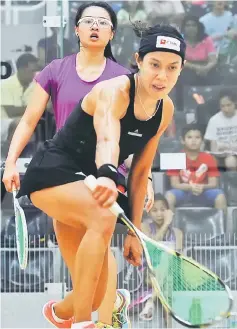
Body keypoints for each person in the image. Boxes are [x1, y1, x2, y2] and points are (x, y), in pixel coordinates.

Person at [3, 21, 186, 328]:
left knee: (100, 289)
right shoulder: (115, 91)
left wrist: (135, 233)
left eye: (172, 67)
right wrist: (107, 174)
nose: (162, 76)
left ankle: (61, 314)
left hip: (91, 188)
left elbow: (141, 172)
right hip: (54, 172)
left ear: (181, 69)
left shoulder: (164, 109)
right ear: (138, 61)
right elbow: (107, 138)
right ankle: (83, 323)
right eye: (155, 65)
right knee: (103, 214)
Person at [2, 2, 136, 328]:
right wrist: (10, 163)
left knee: (100, 241)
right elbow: (29, 120)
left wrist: (133, 182)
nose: (94, 26)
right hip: (63, 173)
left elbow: (131, 134)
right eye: (87, 21)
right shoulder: (54, 70)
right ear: (75, 29)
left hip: (105, 174)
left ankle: (96, 320)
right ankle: (78, 310)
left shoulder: (123, 78)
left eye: (102, 22)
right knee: (84, 276)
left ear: (111, 33)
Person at [139, 193, 183, 321]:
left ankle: (150, 302)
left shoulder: (178, 233)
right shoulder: (144, 227)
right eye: (155, 210)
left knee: (167, 266)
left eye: (163, 210)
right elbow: (152, 249)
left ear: (169, 211)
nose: (159, 214)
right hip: (148, 272)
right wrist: (165, 225)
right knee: (165, 278)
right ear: (149, 213)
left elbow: (179, 258)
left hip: (172, 273)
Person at [165, 124, 227, 212]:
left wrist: (201, 186)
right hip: (183, 192)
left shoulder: (209, 158)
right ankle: (170, 225)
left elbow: (213, 183)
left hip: (204, 191)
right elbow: (174, 184)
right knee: (169, 197)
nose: (193, 141)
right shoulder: (176, 157)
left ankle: (222, 225)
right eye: (189, 137)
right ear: (182, 140)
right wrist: (191, 187)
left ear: (202, 141)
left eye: (197, 137)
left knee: (220, 196)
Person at [204, 89, 237, 171]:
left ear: (235, 103)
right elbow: (213, 145)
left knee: (230, 161)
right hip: (220, 154)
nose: (226, 109)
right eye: (223, 106)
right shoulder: (214, 120)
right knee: (210, 161)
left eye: (229, 105)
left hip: (235, 152)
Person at [180, 15, 218, 85]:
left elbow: (213, 60)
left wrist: (206, 68)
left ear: (198, 27)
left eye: (194, 25)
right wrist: (196, 67)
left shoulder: (207, 40)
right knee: (186, 76)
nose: (191, 28)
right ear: (183, 28)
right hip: (187, 68)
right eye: (188, 25)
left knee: (214, 75)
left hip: (205, 68)